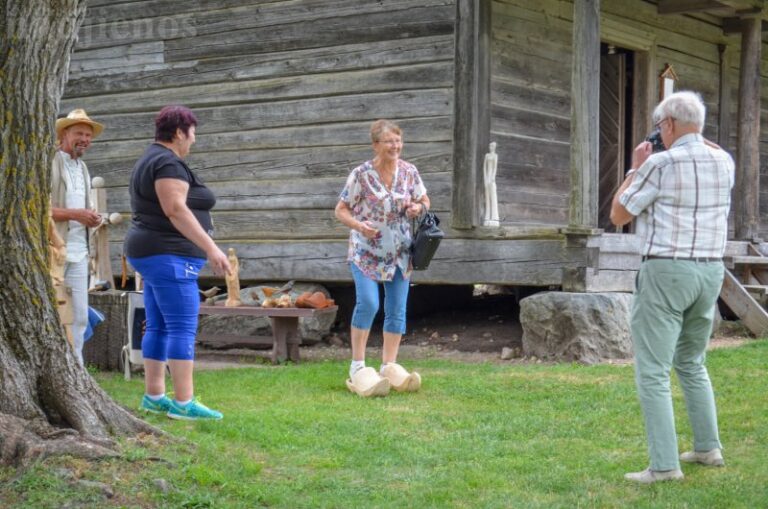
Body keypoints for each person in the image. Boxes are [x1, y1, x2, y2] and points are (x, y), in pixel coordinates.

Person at [610, 91, 734, 484]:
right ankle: (707, 447)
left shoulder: (659, 164)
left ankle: (663, 466)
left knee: (653, 371)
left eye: (662, 124)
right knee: (692, 362)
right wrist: (690, 132)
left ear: (667, 125)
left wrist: (634, 168)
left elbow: (618, 213)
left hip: (666, 270)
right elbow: (704, 143)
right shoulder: (725, 162)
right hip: (710, 271)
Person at [124, 105, 231, 420]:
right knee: (182, 328)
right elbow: (176, 209)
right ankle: (184, 404)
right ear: (179, 132)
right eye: (192, 133)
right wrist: (211, 248)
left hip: (153, 253)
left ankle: (154, 396)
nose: (193, 140)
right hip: (170, 256)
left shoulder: (150, 158)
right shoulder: (167, 162)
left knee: (158, 324)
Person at [334, 119, 431, 397]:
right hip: (365, 251)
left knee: (397, 309)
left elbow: (425, 201)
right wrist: (359, 226)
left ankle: (389, 364)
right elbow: (341, 209)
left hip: (400, 253)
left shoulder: (410, 172)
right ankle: (358, 366)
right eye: (389, 141)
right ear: (376, 144)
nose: (395, 146)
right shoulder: (361, 174)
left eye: (398, 140)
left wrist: (416, 207)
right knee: (368, 302)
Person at [51, 109, 105, 365]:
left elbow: (80, 211)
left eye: (88, 134)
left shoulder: (82, 166)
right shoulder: (50, 161)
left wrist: (92, 218)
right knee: (54, 315)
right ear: (64, 133)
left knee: (81, 316)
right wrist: (77, 214)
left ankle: (77, 372)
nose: (84, 139)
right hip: (54, 251)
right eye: (78, 133)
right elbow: (38, 208)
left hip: (80, 250)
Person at [483, 142, 500, 226]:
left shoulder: (495, 156)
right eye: (490, 146)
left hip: (492, 178)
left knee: (493, 196)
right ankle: (487, 217)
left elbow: (495, 167)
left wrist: (493, 177)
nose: (491, 147)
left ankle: (494, 217)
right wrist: (485, 177)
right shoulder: (487, 155)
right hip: (487, 177)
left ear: (495, 147)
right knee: (487, 197)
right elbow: (484, 167)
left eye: (493, 146)